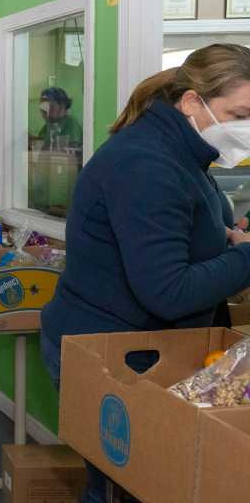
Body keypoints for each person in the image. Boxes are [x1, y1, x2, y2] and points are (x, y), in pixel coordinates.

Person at [40, 44, 250, 502]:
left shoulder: (183, 151)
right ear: (193, 102)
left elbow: (180, 231)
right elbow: (168, 291)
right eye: (241, 114)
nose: (247, 129)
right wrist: (245, 258)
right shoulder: (147, 164)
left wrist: (228, 236)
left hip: (142, 344)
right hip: (116, 351)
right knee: (125, 489)